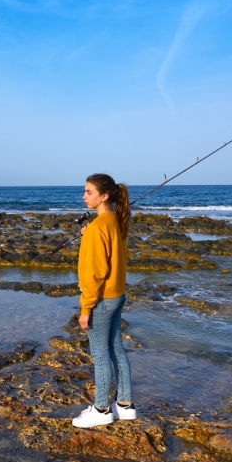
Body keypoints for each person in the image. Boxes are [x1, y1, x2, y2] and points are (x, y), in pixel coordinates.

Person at [71, 173, 137, 428]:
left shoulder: (99, 227)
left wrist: (86, 308)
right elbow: (108, 252)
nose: (84, 196)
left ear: (104, 196)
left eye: (89, 192)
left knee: (100, 355)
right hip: (117, 295)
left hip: (101, 300)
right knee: (116, 350)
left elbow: (95, 272)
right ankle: (125, 405)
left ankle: (101, 410)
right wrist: (89, 235)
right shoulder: (114, 221)